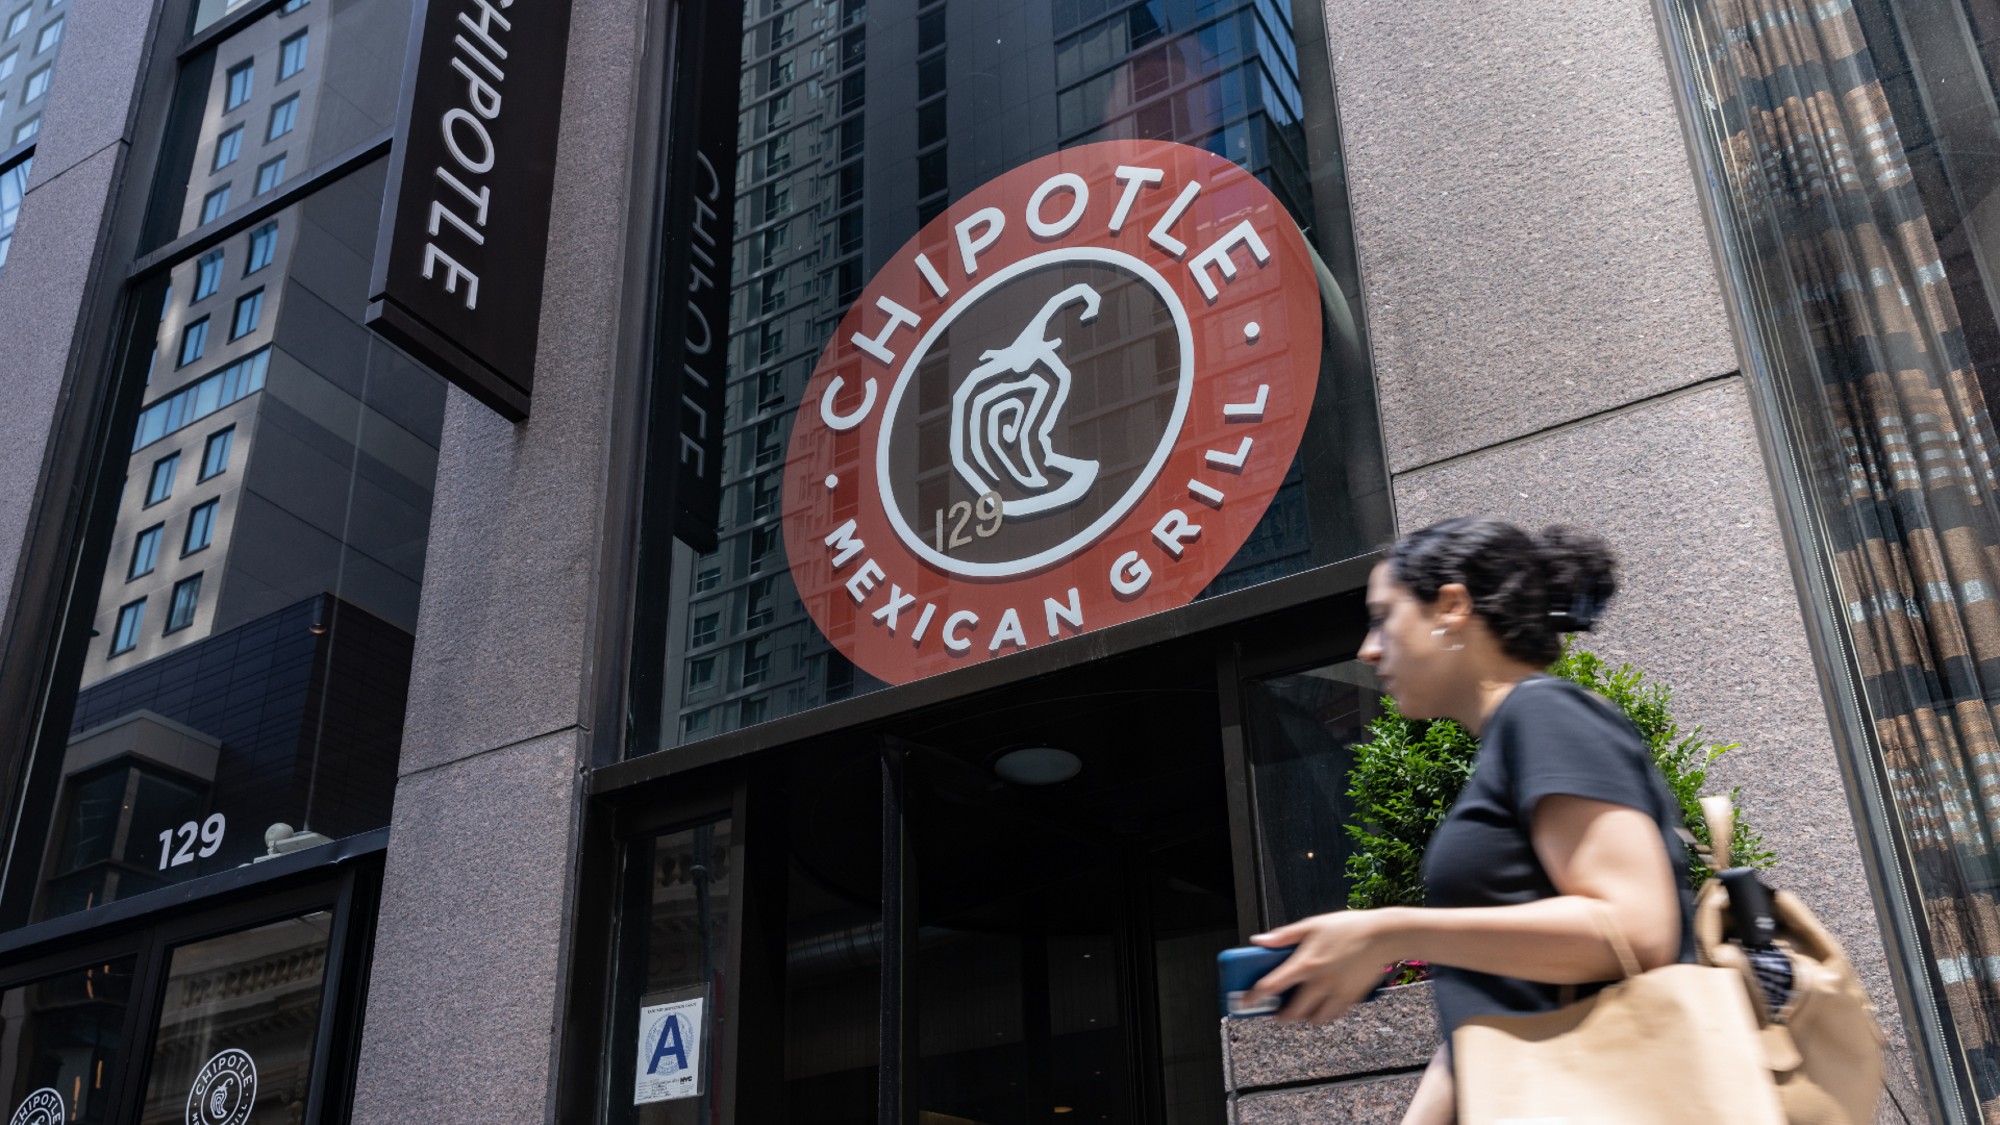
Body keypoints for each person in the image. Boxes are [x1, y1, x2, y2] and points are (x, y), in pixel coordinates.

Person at [1242, 517, 1696, 1124]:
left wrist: (1392, 931)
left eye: (1384, 617)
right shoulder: (1514, 737)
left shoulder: (1544, 716)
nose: (1367, 649)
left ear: (1451, 606)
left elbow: (1635, 930)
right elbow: (1491, 1008)